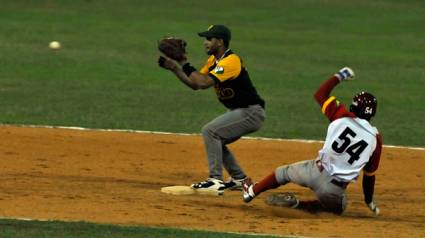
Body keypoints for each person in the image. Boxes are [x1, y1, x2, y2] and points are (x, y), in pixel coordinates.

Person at [242, 67, 382, 215]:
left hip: (314, 172)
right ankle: (298, 206)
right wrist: (369, 201)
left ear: (353, 106)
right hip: (333, 190)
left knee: (283, 173)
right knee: (338, 208)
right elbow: (369, 177)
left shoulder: (341, 115)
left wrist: (340, 75)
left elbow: (320, 94)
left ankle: (251, 191)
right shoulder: (375, 139)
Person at [158, 25, 266, 195]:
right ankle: (239, 179)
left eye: (209, 39)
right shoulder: (213, 62)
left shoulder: (231, 60)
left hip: (251, 112)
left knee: (210, 131)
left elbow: (202, 82)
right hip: (239, 112)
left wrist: (184, 62)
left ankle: (215, 179)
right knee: (217, 138)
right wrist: (176, 68)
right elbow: (195, 83)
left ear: (220, 41)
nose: (205, 43)